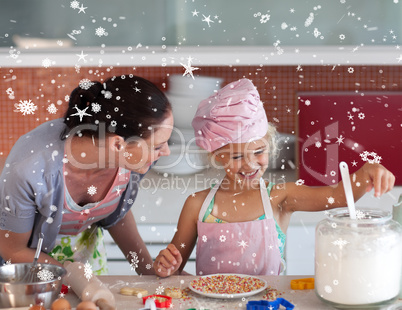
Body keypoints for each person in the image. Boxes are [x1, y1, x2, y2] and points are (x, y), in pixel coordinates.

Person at [153, 78, 395, 277]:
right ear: (218, 156)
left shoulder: (281, 197)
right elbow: (174, 268)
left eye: (259, 152)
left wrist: (367, 171)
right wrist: (166, 266)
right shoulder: (197, 205)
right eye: (237, 156)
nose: (250, 164)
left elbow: (337, 196)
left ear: (269, 146)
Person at [0, 74, 173, 275]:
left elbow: (117, 215)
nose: (166, 152)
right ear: (118, 144)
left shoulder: (132, 161)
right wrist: (75, 279)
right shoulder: (29, 171)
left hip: (87, 263)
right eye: (158, 146)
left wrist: (149, 271)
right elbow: (13, 250)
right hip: (31, 270)